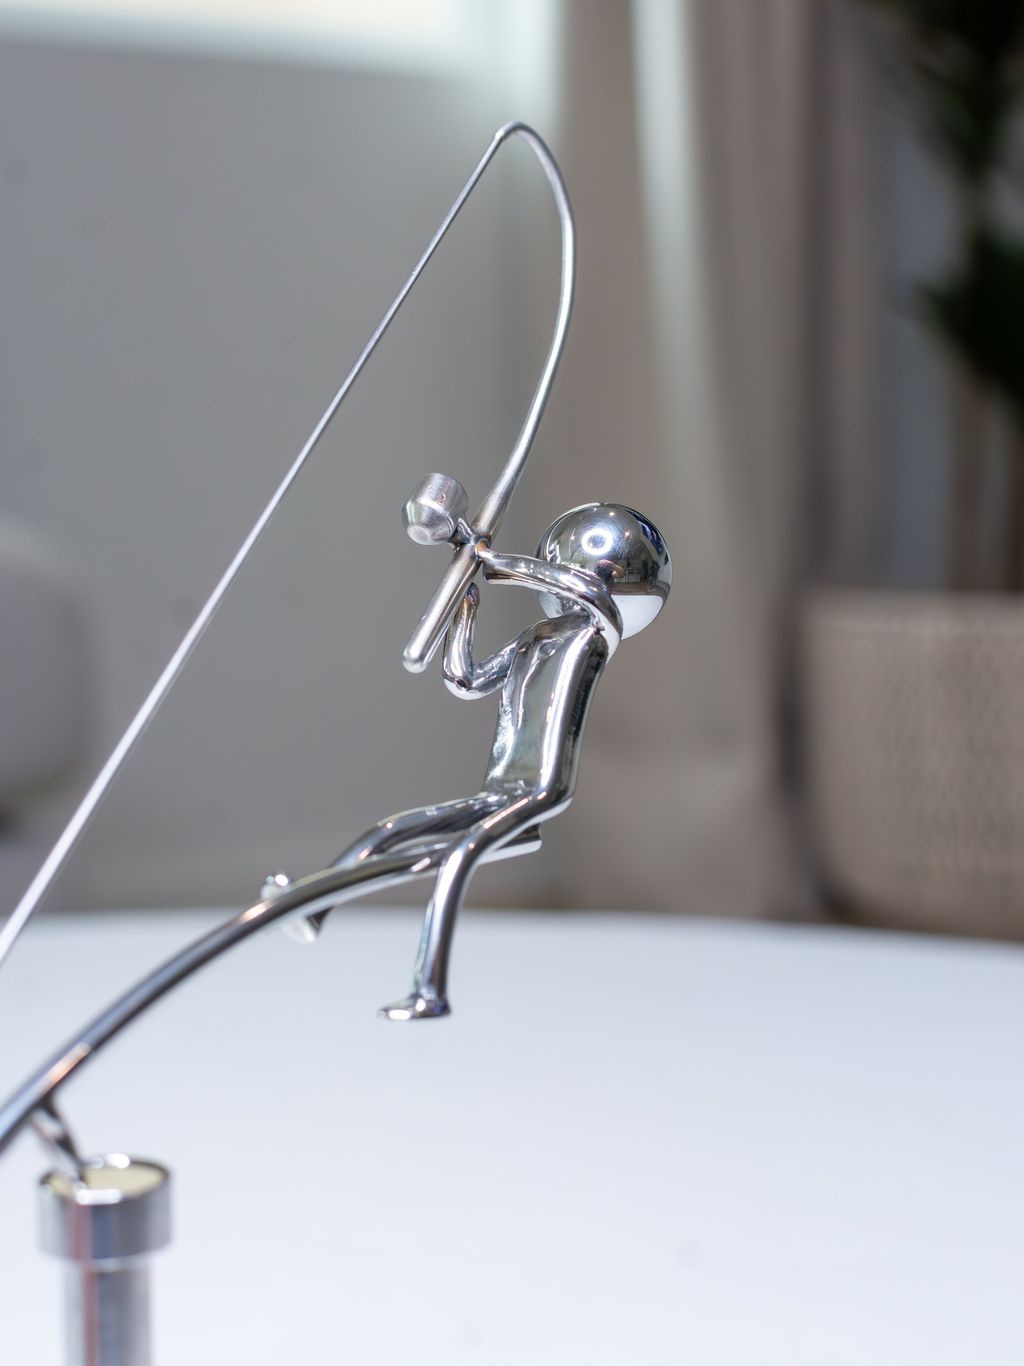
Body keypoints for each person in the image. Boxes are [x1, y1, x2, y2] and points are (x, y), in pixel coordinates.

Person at [303, 503, 671, 1020]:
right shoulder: (537, 638)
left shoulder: (598, 632)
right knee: (391, 828)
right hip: (502, 781)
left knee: (460, 855)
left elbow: (584, 590)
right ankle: (315, 910)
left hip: (542, 785)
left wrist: (484, 558)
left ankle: (428, 990)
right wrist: (466, 606)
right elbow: (465, 679)